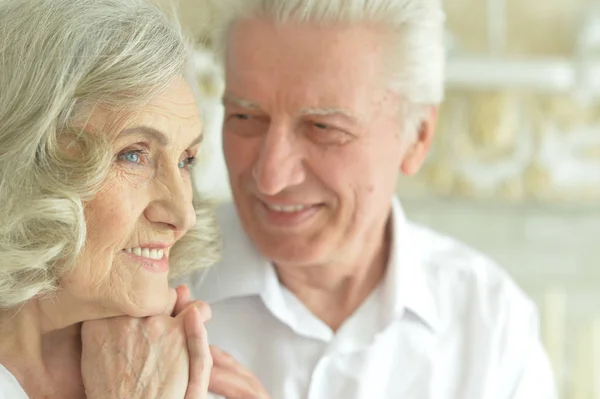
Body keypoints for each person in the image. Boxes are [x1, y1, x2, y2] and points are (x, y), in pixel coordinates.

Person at [182, 0, 559, 398]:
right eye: (245, 118)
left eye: (323, 127)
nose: (271, 177)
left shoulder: (491, 326)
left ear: (417, 137)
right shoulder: (148, 293)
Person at [0, 0, 225, 397]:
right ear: (24, 162)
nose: (182, 214)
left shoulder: (195, 377)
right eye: (133, 154)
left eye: (186, 160)